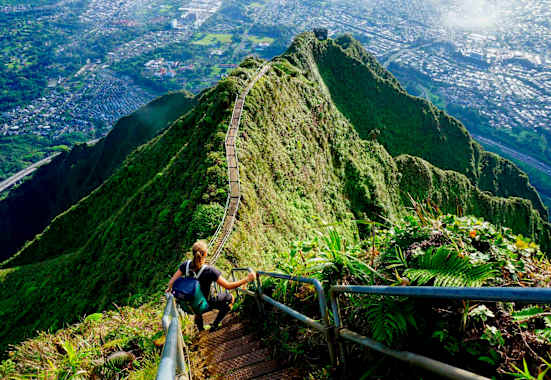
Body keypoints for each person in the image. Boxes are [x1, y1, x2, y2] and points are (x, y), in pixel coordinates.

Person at [165, 240, 256, 332]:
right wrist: (246, 279)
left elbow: (171, 282)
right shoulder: (210, 271)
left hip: (192, 305)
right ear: (205, 254)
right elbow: (228, 286)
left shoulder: (185, 265)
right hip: (208, 303)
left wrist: (169, 289)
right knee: (230, 298)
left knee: (196, 302)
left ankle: (200, 330)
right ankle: (215, 325)